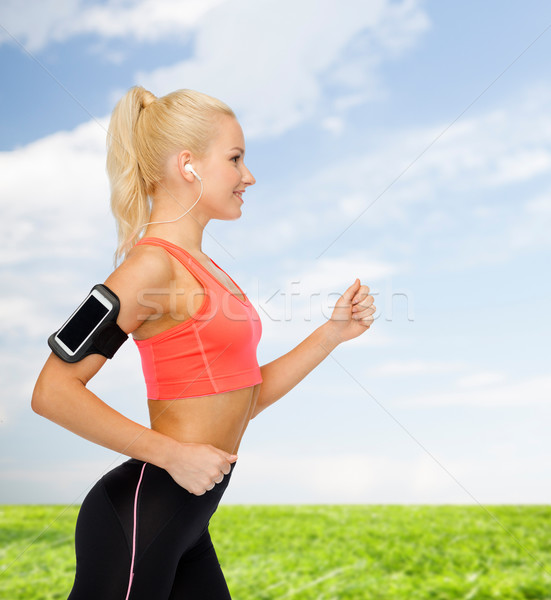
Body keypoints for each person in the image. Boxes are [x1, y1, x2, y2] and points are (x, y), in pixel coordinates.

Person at [32, 86, 376, 600]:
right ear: (187, 164)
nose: (249, 176)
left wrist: (330, 334)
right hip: (136, 522)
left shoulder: (210, 273)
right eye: (235, 159)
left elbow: (243, 399)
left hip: (187, 522)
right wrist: (171, 455)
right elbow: (52, 391)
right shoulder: (149, 266)